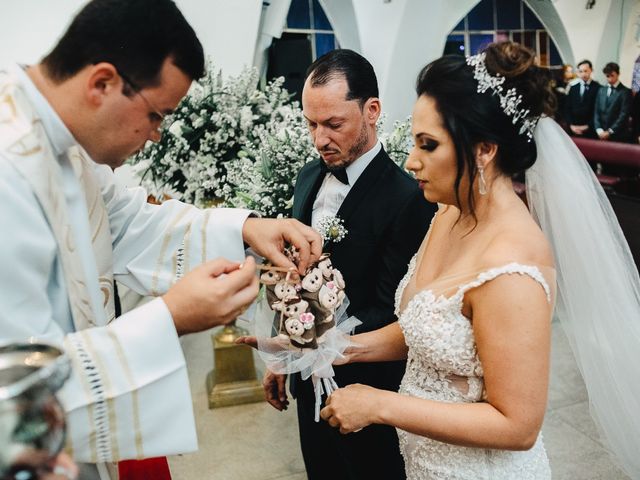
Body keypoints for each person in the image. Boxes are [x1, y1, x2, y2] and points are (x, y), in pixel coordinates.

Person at [0, 1, 321, 479]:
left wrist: (245, 227)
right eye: (157, 115)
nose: (156, 136)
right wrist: (169, 319)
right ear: (102, 83)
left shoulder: (66, 144)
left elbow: (125, 220)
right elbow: (15, 383)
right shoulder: (9, 167)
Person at [320, 42, 640, 479]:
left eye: (428, 145)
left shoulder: (513, 265)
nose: (411, 161)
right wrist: (337, 348)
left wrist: (381, 405)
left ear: (484, 150)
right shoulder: (448, 212)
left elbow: (518, 425)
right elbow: (425, 327)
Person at [256, 49, 436, 479]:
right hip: (306, 385)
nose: (320, 139)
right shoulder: (306, 177)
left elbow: (393, 308)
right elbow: (292, 277)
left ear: (371, 110)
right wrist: (283, 360)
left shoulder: (408, 199)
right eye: (311, 124)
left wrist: (313, 341)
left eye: (333, 124)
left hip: (368, 390)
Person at [594, 62, 632, 142]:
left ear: (618, 74)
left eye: (612, 76)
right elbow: (596, 112)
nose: (610, 79)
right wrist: (599, 130)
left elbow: (624, 115)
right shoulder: (601, 90)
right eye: (607, 76)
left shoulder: (625, 92)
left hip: (618, 135)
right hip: (600, 134)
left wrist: (610, 131)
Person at [565, 59, 600, 138]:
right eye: (580, 71)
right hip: (573, 129)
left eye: (585, 71)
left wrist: (587, 126)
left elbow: (598, 111)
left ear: (591, 70)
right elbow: (567, 108)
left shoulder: (598, 88)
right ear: (577, 72)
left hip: (590, 130)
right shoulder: (573, 88)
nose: (583, 74)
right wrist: (571, 125)